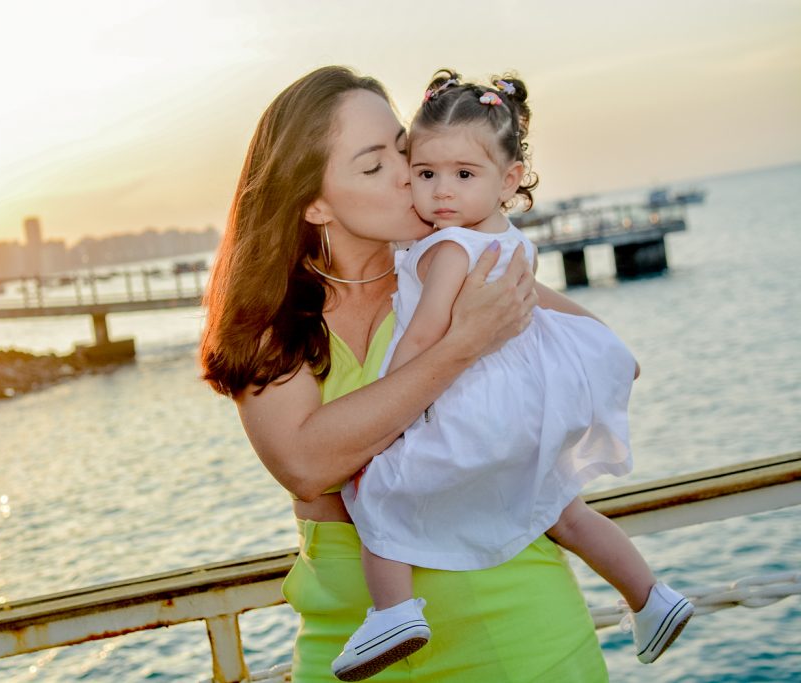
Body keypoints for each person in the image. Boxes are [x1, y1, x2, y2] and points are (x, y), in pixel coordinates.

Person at [201, 66, 609, 682]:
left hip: (518, 630)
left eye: (401, 147)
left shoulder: (455, 269)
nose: (411, 174)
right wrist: (461, 347)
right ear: (313, 202)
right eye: (372, 167)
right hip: (352, 643)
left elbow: (600, 353)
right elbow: (307, 464)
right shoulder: (270, 322)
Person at [331, 70, 693, 680]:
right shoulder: (509, 238)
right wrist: (608, 353)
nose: (442, 193)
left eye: (463, 175)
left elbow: (423, 335)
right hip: (528, 412)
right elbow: (551, 317)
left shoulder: (449, 249)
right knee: (565, 512)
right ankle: (651, 599)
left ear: (510, 179)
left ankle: (393, 612)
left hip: (476, 405)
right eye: (426, 174)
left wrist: (387, 410)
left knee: (378, 490)